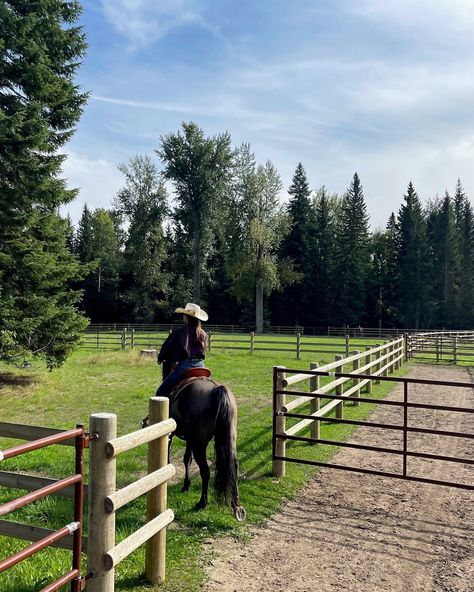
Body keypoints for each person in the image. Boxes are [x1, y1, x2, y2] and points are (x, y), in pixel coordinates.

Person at [155, 302, 209, 398]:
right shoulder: (204, 334)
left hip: (184, 367)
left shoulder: (179, 332)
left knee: (160, 392)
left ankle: (157, 413)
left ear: (186, 317)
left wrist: (161, 357)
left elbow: (166, 350)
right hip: (201, 366)